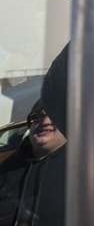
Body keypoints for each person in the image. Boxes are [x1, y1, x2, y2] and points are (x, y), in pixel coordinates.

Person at [0, 69, 68, 226]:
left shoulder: (80, 173)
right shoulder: (7, 169)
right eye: (37, 116)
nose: (44, 122)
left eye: (54, 115)